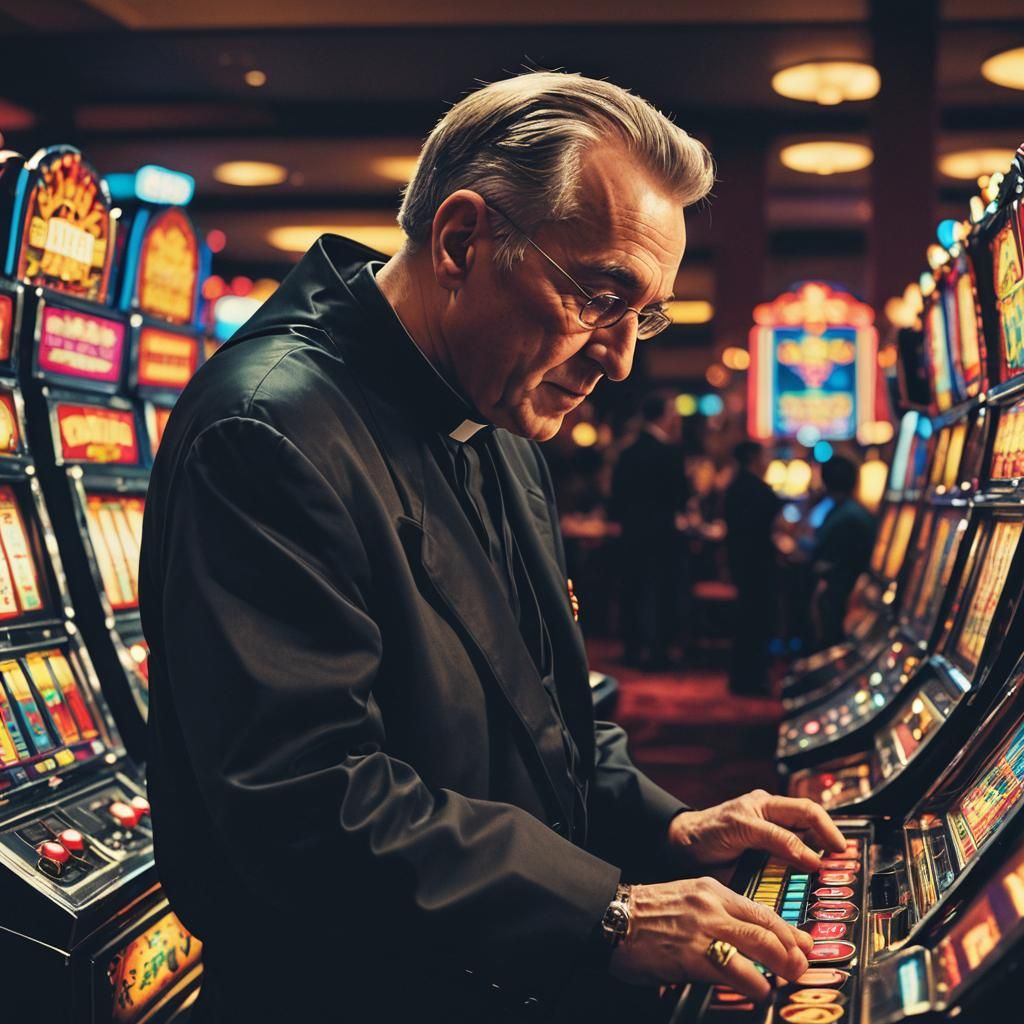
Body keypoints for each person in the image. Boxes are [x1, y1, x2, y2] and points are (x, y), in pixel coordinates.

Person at [140, 72, 845, 1023]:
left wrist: (672, 825)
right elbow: (307, 801)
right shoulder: (267, 429)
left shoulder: (501, 417)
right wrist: (606, 912)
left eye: (646, 315)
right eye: (601, 296)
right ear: (462, 242)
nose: (622, 357)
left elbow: (545, 718)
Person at [610, 393, 689, 669]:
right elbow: (680, 496)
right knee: (663, 592)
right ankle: (659, 653)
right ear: (664, 416)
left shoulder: (627, 451)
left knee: (632, 590)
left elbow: (616, 496)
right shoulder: (669, 453)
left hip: (632, 532)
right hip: (663, 533)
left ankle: (632, 650)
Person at [723, 440, 782, 696]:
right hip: (757, 564)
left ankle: (744, 677)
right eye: (763, 457)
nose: (767, 462)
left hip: (742, 562)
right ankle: (752, 679)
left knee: (748, 621)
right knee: (756, 622)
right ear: (753, 459)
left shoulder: (735, 486)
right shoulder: (754, 488)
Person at [809, 455, 877, 650]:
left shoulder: (847, 515)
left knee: (833, 644)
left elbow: (835, 559)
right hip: (846, 593)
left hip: (843, 596)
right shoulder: (848, 511)